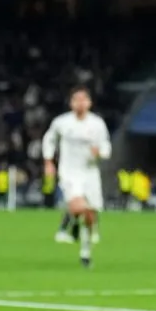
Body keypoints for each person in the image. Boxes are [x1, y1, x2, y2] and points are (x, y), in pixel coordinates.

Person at [42, 86, 111, 268]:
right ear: (71, 103)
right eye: (76, 99)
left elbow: (105, 146)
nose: (80, 103)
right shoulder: (62, 123)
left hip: (90, 173)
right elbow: (49, 139)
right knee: (79, 206)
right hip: (70, 173)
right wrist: (48, 161)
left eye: (83, 99)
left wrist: (100, 153)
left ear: (89, 103)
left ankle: (85, 253)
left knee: (90, 215)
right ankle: (69, 227)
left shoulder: (97, 124)